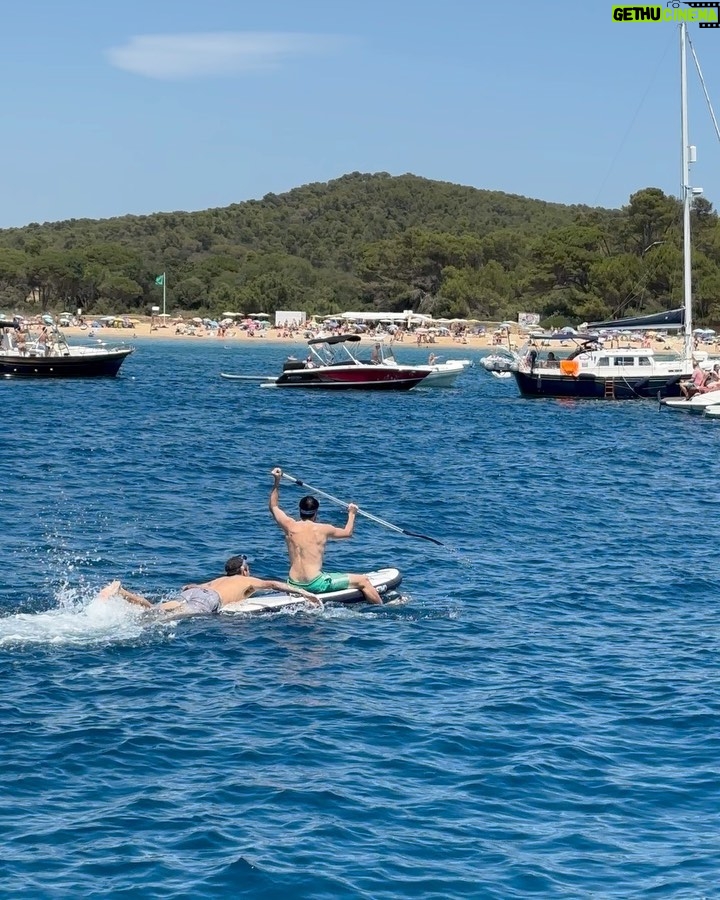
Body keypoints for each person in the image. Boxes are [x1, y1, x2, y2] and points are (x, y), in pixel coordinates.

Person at [269, 467, 383, 604]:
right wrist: (352, 513)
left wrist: (277, 481)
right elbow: (347, 533)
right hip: (315, 584)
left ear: (300, 511)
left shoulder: (290, 526)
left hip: (293, 584)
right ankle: (382, 608)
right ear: (316, 512)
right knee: (363, 580)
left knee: (326, 574)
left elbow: (274, 506)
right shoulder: (323, 529)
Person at [97, 554, 320, 615]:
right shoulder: (248, 580)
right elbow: (273, 584)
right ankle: (122, 594)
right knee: (164, 620)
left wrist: (190, 587)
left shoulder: (219, 579)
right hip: (209, 599)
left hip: (199, 591)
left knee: (154, 610)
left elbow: (191, 586)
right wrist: (303, 593)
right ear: (243, 570)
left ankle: (122, 591)